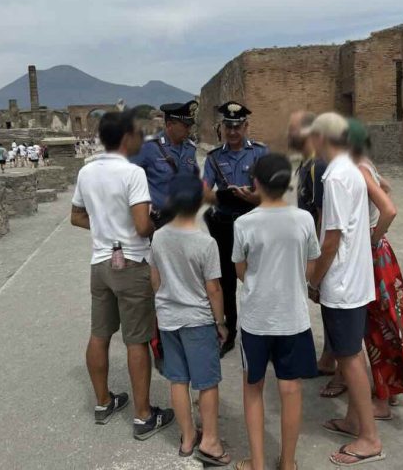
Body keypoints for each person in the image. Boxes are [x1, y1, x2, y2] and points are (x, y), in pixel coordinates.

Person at [70, 110, 174, 437]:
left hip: (101, 262)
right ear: (127, 137)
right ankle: (144, 416)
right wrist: (158, 224)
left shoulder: (86, 172)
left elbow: (76, 216)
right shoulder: (132, 173)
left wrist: (103, 227)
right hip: (131, 262)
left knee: (99, 334)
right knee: (137, 339)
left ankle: (103, 401)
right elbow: (142, 226)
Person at [231, 153, 320, 470]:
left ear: (255, 183)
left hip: (256, 320)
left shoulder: (243, 223)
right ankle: (288, 463)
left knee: (253, 388)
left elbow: (241, 269)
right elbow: (310, 268)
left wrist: (260, 280)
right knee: (291, 388)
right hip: (292, 318)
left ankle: (256, 463)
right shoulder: (304, 220)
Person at [307, 113, 384, 467]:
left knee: (349, 357)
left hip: (342, 282)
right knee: (353, 352)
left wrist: (314, 278)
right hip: (355, 279)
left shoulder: (336, 176)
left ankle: (369, 438)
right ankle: (355, 420)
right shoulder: (350, 170)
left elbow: (331, 239)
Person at [148, 174, 231, 467]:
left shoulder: (159, 236)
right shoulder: (204, 242)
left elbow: (155, 280)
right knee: (207, 382)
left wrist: (168, 300)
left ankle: (186, 438)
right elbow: (214, 288)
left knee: (178, 379)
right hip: (197, 319)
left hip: (169, 319)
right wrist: (220, 322)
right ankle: (210, 439)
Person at [347, 120, 403, 419]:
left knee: (378, 328)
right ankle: (389, 391)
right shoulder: (365, 164)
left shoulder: (357, 168)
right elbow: (386, 186)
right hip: (383, 255)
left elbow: (389, 208)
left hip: (374, 256)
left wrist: (371, 238)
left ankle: (380, 400)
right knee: (389, 324)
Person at [202, 101, 268, 357]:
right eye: (228, 127)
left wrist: (252, 196)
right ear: (222, 128)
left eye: (237, 126)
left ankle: (264, 332)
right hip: (225, 227)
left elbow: (269, 192)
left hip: (254, 224)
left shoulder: (260, 153)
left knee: (260, 278)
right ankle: (229, 331)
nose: (232, 132)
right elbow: (205, 189)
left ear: (246, 126)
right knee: (227, 282)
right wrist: (212, 195)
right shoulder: (214, 158)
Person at [287, 110, 339, 382]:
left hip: (321, 249)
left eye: (292, 129)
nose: (288, 135)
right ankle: (330, 356)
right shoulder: (306, 164)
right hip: (313, 247)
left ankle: (333, 360)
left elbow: (321, 216)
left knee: (331, 304)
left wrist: (316, 261)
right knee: (326, 304)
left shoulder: (319, 165)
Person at [132, 100, 200, 228]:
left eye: (190, 126)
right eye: (186, 126)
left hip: (184, 219)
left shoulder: (190, 148)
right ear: (169, 125)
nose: (189, 130)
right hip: (159, 221)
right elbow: (129, 179)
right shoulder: (148, 147)